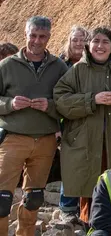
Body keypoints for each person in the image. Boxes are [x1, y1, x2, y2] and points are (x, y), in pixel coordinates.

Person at [55, 27, 111, 224]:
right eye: (96, 41)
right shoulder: (78, 70)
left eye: (106, 42)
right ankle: (91, 226)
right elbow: (61, 100)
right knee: (89, 187)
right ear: (89, 45)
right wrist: (92, 100)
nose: (100, 46)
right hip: (86, 140)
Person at [0, 16, 68, 236]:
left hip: (45, 141)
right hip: (13, 139)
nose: (37, 41)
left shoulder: (59, 67)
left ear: (49, 37)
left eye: (43, 36)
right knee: (2, 198)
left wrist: (50, 106)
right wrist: (10, 103)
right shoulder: (7, 65)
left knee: (34, 198)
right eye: (33, 35)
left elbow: (68, 103)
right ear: (25, 35)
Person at [58, 25, 89, 221]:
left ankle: (85, 208)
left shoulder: (91, 66)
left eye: (82, 40)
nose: (78, 43)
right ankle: (67, 206)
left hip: (88, 120)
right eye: (75, 39)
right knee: (70, 162)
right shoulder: (61, 66)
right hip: (67, 122)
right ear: (69, 42)